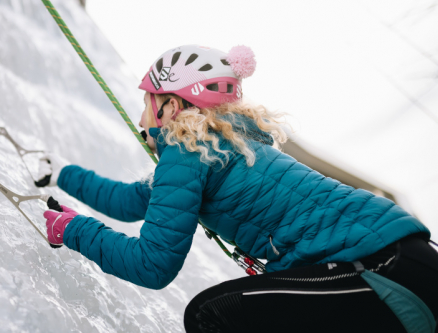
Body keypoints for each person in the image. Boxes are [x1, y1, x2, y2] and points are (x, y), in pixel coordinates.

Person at [39, 44, 438, 332]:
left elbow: (152, 265)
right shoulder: (222, 148)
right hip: (404, 263)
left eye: (147, 103)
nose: (141, 117)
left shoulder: (185, 152)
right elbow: (130, 201)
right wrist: (63, 175)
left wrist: (72, 231)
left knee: (212, 313)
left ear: (171, 108)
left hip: (377, 271)